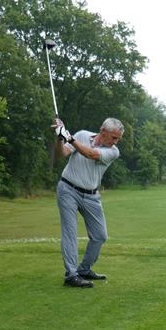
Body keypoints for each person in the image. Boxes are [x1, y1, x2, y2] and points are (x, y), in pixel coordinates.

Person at [53, 117, 124, 288]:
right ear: (103, 131)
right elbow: (61, 154)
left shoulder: (113, 152)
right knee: (70, 232)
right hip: (67, 189)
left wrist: (69, 137)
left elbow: (90, 154)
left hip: (91, 196)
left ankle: (84, 269)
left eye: (118, 139)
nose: (116, 141)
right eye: (114, 137)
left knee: (100, 236)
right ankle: (71, 275)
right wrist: (60, 138)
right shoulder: (82, 135)